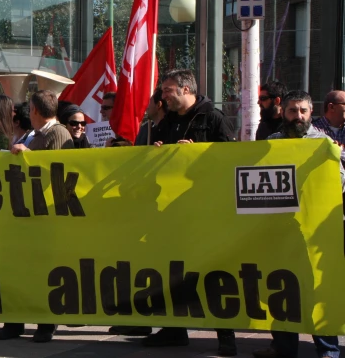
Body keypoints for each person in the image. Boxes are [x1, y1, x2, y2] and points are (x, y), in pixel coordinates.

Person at [145, 69, 236, 356]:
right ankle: (174, 330)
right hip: (172, 211)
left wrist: (199, 152)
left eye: (167, 90)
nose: (163, 96)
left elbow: (230, 158)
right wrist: (157, 150)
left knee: (213, 270)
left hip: (205, 209)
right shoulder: (167, 121)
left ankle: (226, 335)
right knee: (172, 270)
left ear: (185, 89)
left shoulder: (213, 118)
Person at [252, 90, 341, 358]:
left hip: (315, 231)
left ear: (311, 113)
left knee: (317, 289)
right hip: (280, 229)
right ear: (284, 112)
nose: (298, 116)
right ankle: (283, 346)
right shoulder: (272, 142)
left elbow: (340, 182)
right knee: (280, 288)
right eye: (293, 111)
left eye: (303, 111)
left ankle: (327, 349)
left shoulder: (324, 143)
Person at [0, 90, 73, 344]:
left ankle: (45, 323)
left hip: (46, 215)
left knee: (44, 272)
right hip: (26, 213)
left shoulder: (59, 133)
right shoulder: (33, 135)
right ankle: (15, 320)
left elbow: (60, 170)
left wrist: (27, 157)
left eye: (29, 109)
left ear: (35, 111)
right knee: (19, 270)